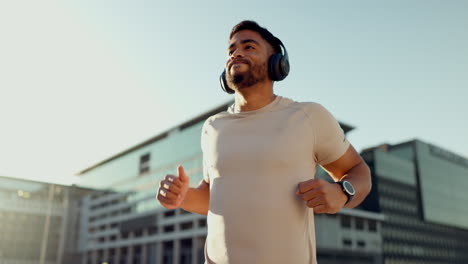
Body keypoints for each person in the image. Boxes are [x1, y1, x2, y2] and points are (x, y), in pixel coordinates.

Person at [157, 20, 371, 264]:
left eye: (249, 47)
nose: (236, 53)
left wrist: (343, 193)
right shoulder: (212, 127)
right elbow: (211, 198)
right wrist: (182, 196)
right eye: (231, 50)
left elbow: (359, 171)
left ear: (276, 63)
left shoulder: (308, 116)